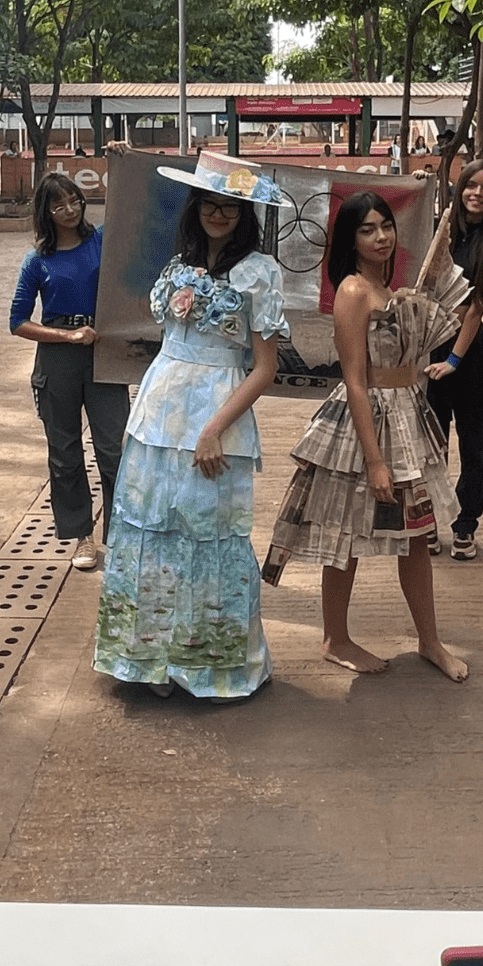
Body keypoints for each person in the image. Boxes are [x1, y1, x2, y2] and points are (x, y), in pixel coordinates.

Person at [92, 152, 290, 700]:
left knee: (208, 537)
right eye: (210, 204)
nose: (219, 214)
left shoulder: (261, 272)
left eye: (230, 206)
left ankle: (209, 665)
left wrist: (214, 429)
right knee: (149, 529)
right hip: (158, 410)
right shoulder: (179, 261)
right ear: (196, 206)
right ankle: (149, 660)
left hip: (216, 410)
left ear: (245, 212)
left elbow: (265, 368)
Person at [261, 191, 468, 680]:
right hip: (365, 425)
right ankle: (336, 638)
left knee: (418, 536)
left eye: (386, 227)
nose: (381, 237)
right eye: (367, 229)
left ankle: (430, 641)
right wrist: (374, 460)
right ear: (349, 240)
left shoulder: (394, 289)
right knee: (347, 536)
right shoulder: (353, 292)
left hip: (408, 416)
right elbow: (355, 379)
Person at [9, 174, 131, 573]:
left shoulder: (102, 241)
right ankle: (82, 536)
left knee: (114, 451)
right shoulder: (38, 260)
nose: (69, 210)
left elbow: (132, 208)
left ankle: (122, 538)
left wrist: (121, 157)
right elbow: (18, 322)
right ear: (45, 213)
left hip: (103, 354)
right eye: (58, 205)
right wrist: (65, 335)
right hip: (58, 360)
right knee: (65, 454)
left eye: (74, 200)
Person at [425, 159, 483, 560]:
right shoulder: (439, 232)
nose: (478, 193)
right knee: (431, 448)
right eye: (471, 185)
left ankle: (464, 526)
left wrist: (453, 362)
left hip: (469, 359)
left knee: (474, 452)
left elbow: (475, 308)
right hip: (429, 352)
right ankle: (428, 523)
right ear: (459, 188)